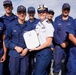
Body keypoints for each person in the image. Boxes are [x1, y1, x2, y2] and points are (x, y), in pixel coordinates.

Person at [4, 5, 32, 75]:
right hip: (14, 55)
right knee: (13, 73)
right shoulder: (11, 25)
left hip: (25, 56)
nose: (22, 14)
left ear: (26, 14)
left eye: (23, 12)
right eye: (20, 12)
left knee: (24, 72)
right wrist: (15, 47)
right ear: (17, 14)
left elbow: (32, 42)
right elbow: (6, 41)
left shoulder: (29, 27)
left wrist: (27, 49)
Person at [29, 4, 54, 75]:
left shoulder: (48, 25)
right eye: (40, 12)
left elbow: (49, 42)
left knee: (38, 73)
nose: (41, 14)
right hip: (39, 52)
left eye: (43, 12)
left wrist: (37, 49)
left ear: (46, 13)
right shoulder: (38, 24)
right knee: (44, 72)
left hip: (44, 52)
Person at [53, 3, 73, 75]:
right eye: (65, 9)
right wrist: (61, 42)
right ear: (62, 10)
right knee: (57, 62)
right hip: (59, 46)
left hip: (69, 45)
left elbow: (72, 33)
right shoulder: (57, 19)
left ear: (69, 11)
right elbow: (54, 33)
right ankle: (56, 73)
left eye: (67, 9)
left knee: (68, 63)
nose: (66, 11)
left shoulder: (72, 20)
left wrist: (67, 42)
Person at [1, 0, 17, 75]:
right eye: (6, 6)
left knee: (14, 69)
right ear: (4, 8)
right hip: (4, 47)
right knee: (4, 68)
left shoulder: (17, 19)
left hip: (15, 47)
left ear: (12, 7)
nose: (7, 7)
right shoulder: (1, 20)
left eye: (9, 6)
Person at [27, 6, 40, 75]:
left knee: (39, 63)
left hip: (39, 46)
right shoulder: (26, 23)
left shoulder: (38, 21)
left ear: (34, 13)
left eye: (32, 12)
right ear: (28, 13)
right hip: (30, 47)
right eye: (30, 13)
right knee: (30, 63)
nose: (31, 14)